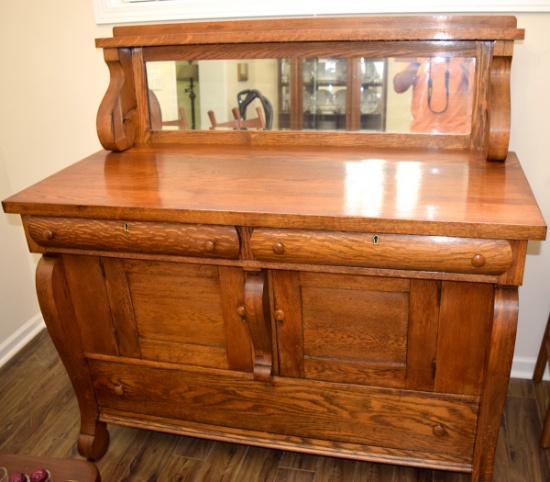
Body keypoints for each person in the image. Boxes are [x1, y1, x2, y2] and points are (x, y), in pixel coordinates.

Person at [393, 57, 475, 134]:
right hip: (421, 133)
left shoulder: (463, 53)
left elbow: (479, 87)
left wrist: (460, 55)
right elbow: (399, 87)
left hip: (458, 133)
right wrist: (418, 59)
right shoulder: (417, 52)